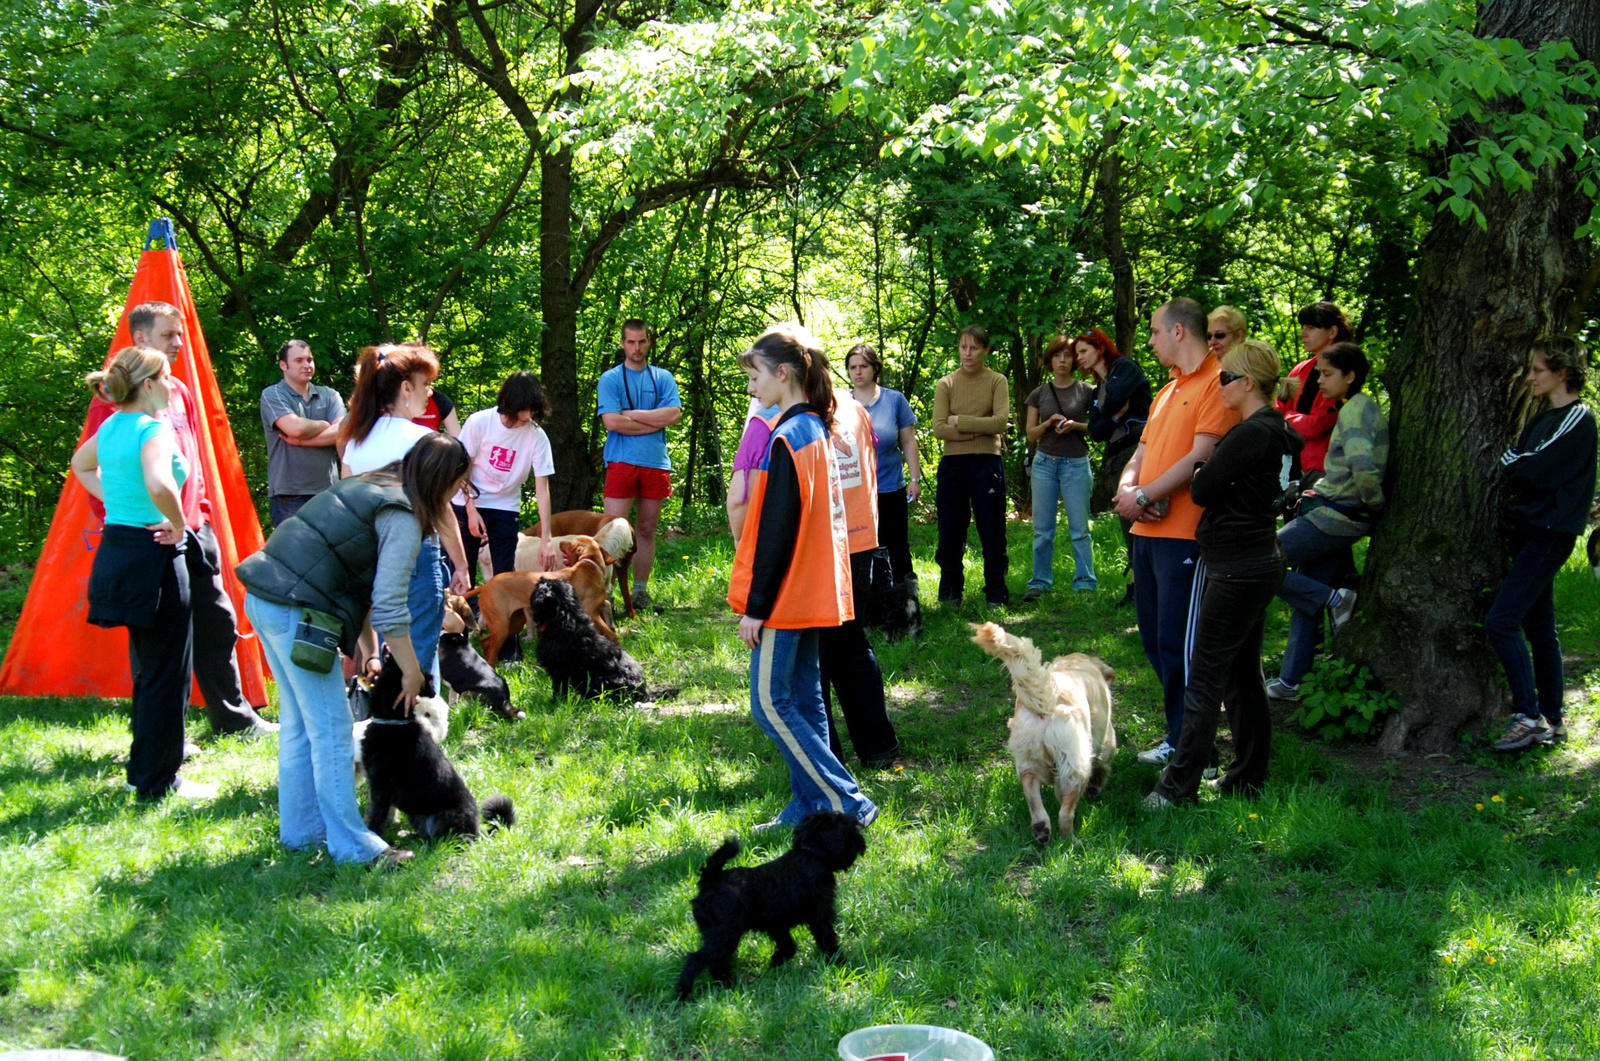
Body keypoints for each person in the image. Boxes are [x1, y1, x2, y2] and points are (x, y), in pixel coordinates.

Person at [237, 432, 473, 865]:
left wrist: (369, 650)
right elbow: (388, 605)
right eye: (459, 487)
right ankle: (353, 846)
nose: (457, 498)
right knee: (330, 731)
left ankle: (301, 836)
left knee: (298, 726)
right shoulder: (402, 513)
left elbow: (359, 584)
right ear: (442, 481)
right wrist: (412, 670)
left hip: (265, 593)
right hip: (299, 606)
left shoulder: (367, 484)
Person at [84, 301, 277, 739]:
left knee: (217, 622)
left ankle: (234, 719)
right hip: (150, 536)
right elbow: (98, 466)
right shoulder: (117, 400)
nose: (178, 341)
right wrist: (127, 517)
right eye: (169, 333)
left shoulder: (181, 391)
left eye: (180, 332)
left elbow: (191, 460)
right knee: (154, 642)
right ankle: (160, 737)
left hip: (192, 528)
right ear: (140, 339)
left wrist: (200, 512)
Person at [727, 323, 878, 829]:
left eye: (756, 377)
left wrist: (757, 606)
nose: (751, 388)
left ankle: (846, 803)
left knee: (770, 703)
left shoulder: (789, 436)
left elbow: (776, 533)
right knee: (806, 698)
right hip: (815, 591)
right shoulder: (814, 427)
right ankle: (810, 804)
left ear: (783, 373)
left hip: (788, 597)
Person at [1146, 340, 1301, 808]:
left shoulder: (1252, 433)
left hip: (1237, 568)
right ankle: (1247, 778)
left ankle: (1176, 789)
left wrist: (1199, 469)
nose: (1220, 385)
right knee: (1242, 675)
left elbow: (1204, 488)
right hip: (1257, 561)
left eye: (1226, 378)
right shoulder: (1280, 432)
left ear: (1248, 383)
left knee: (1206, 676)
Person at [72, 348, 215, 801]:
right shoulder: (152, 429)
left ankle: (146, 768)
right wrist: (176, 524)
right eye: (168, 378)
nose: (174, 386)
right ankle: (159, 780)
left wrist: (117, 504)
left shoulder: (111, 425)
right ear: (148, 384)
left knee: (150, 671)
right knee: (167, 673)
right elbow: (160, 483)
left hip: (120, 551)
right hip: (155, 555)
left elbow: (81, 466)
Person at [1114, 298, 1241, 767]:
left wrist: (1144, 496)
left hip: (1186, 536)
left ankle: (1197, 750)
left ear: (1179, 332)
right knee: (1154, 638)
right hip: (1147, 535)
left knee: (1180, 644)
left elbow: (1202, 457)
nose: (1149, 340)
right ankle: (1180, 735)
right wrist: (1130, 489)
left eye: (1153, 331)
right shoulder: (1168, 390)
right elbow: (1141, 451)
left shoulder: (1216, 383)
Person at [1488, 338, 1597, 752]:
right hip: (1530, 531)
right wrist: (1517, 463)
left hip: (1550, 533)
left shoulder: (1577, 417)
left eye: (1537, 369)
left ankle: (1528, 716)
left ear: (1562, 372)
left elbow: (1527, 468)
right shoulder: (1540, 419)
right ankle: (1552, 716)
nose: (1530, 376)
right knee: (1538, 626)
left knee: (1501, 621)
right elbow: (1516, 462)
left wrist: (1517, 464)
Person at [340, 343, 471, 682]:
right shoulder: (422, 439)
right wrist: (460, 563)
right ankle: (421, 727)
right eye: (425, 384)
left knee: (387, 650)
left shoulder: (356, 442)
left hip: (373, 556)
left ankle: (387, 721)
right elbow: (439, 509)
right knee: (422, 650)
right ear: (406, 388)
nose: (430, 393)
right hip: (417, 555)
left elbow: (348, 506)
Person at [1266, 342, 1390, 702]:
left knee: (1259, 562)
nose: (1318, 381)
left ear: (1350, 376)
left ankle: (1337, 599)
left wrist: (1375, 507)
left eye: (1328, 374)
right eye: (1319, 372)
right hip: (1336, 512)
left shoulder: (1355, 412)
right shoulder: (1357, 407)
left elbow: (1363, 468)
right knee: (1307, 593)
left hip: (1334, 515)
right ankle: (1293, 681)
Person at [452, 372, 559, 661]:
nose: (527, 416)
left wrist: (546, 539)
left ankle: (509, 649)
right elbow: (459, 468)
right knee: (461, 571)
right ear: (509, 403)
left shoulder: (536, 435)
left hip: (504, 507)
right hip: (466, 501)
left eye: (533, 410)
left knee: (504, 577)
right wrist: (471, 509)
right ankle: (455, 643)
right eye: (523, 409)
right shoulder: (480, 422)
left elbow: (542, 488)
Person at [598, 319, 681, 611]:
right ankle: (604, 594)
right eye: (631, 342)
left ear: (649, 342)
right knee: (613, 530)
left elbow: (673, 415)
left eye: (642, 341)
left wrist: (631, 416)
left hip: (655, 463)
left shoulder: (663, 377)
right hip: (621, 462)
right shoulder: (610, 379)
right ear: (622, 343)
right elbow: (611, 421)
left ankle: (641, 593)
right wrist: (651, 421)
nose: (636, 348)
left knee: (646, 529)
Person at [932, 325, 1011, 607]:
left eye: (974, 348)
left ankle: (996, 594)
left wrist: (962, 422)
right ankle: (950, 595)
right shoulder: (946, 384)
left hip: (986, 463)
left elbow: (1001, 422)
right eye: (963, 347)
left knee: (991, 530)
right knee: (951, 531)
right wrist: (982, 426)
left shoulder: (996, 381)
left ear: (986, 350)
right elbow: (939, 429)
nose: (968, 353)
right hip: (952, 465)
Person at [1078, 328, 1152, 609]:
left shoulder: (1125, 368)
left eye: (1084, 351)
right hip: (1115, 456)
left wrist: (1110, 412)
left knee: (1140, 516)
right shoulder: (1098, 388)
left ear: (1099, 347)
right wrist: (1114, 414)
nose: (1079, 359)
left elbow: (1116, 399)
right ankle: (1137, 586)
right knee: (1127, 520)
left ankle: (1143, 586)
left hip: (1137, 449)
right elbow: (1096, 431)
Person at [1023, 336, 1097, 600]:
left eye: (1067, 356)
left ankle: (1085, 582)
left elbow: (1099, 428)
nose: (1062, 361)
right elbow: (1030, 434)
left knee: (1080, 528)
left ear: (1075, 360)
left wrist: (1075, 426)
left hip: (1076, 463)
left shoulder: (1087, 390)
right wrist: (1048, 424)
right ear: (1049, 360)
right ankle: (1040, 582)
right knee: (1042, 529)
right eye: (1057, 356)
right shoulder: (1039, 393)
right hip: (1044, 463)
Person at [846, 344, 921, 585]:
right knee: (860, 550)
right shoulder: (841, 404)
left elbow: (909, 441)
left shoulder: (894, 400)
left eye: (863, 366)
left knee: (897, 546)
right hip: (854, 491)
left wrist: (914, 479)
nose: (858, 372)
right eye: (852, 367)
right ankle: (867, 608)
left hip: (890, 486)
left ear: (875, 368)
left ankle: (906, 605)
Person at [260, 339, 344, 527]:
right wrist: (324, 424)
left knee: (330, 555)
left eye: (309, 360)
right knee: (294, 555)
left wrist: (303, 441)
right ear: (283, 365)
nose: (307, 365)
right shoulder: (272, 394)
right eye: (299, 360)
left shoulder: (329, 395)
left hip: (327, 492)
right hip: (289, 495)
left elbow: (341, 431)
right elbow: (295, 429)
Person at [1277, 302, 1353, 484]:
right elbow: (1277, 412)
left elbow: (1316, 425)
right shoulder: (1300, 369)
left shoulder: (1345, 374)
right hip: (1289, 469)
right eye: (1303, 327)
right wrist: (1289, 419)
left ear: (1332, 332)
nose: (1302, 334)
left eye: (1310, 328)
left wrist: (1288, 418)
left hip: (1323, 473)